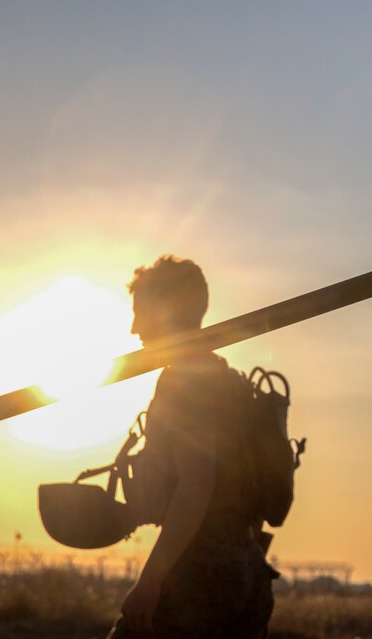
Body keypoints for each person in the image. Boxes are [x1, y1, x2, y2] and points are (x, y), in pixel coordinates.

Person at [106, 255, 275, 639]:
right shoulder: (227, 378)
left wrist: (150, 582)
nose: (134, 329)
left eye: (140, 313)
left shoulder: (186, 380)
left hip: (204, 575)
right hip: (248, 568)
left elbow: (196, 485)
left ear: (168, 310)